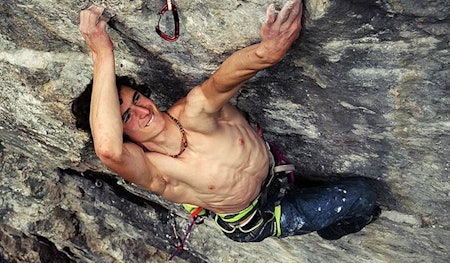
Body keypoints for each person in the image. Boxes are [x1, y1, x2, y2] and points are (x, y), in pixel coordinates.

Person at [75, 0, 380, 243]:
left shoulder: (193, 112)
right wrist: (102, 53)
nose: (143, 111)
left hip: (279, 176)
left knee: (347, 197)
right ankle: (332, 229)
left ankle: (315, 204)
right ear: (120, 131)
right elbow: (109, 151)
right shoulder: (157, 172)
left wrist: (266, 52)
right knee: (363, 198)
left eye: (137, 99)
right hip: (259, 219)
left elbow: (223, 81)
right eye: (127, 116)